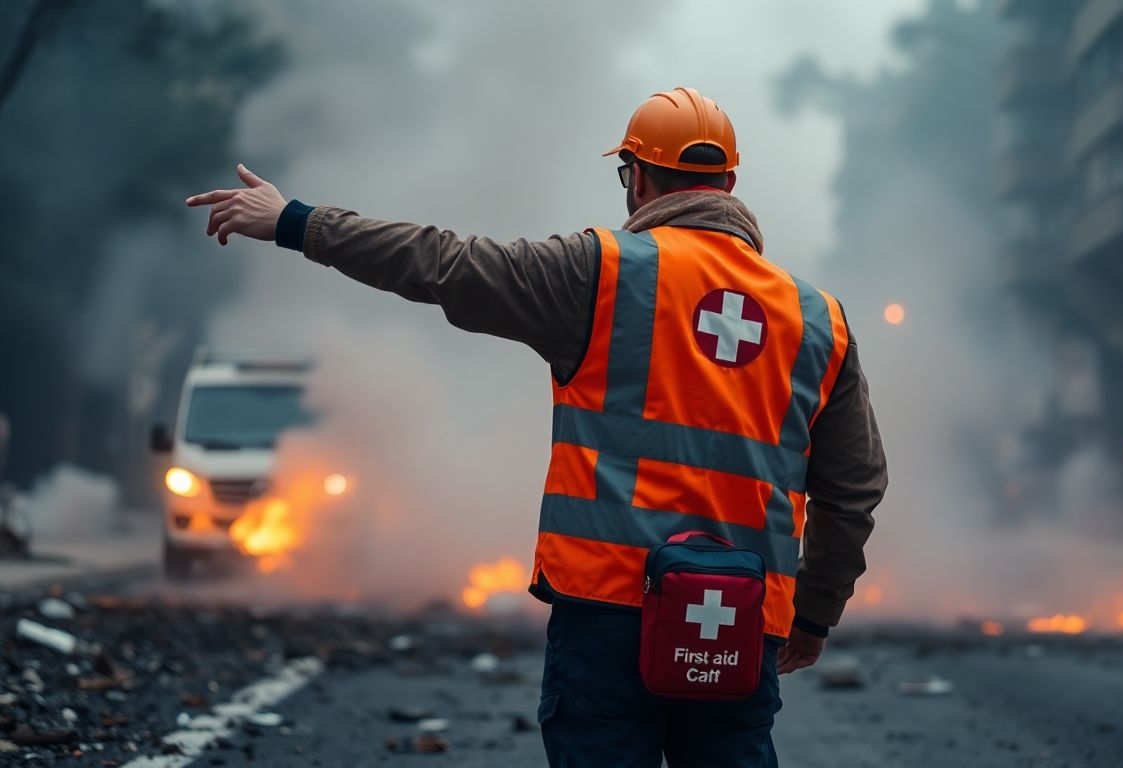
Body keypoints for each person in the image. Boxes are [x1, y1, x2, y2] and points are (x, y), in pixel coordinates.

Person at [187, 87, 886, 766]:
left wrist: (295, 220)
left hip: (608, 612)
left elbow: (442, 263)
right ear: (729, 182)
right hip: (738, 622)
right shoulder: (819, 319)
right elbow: (853, 489)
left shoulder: (600, 272)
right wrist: (813, 615)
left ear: (636, 178)